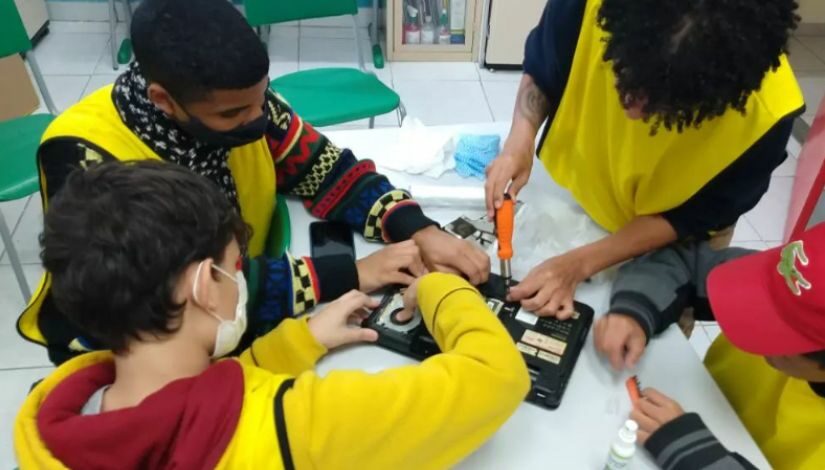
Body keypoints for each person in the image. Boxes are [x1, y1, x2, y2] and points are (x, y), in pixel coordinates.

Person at [19, 0, 489, 365]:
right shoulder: (85, 157)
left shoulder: (247, 107)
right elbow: (173, 300)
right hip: (141, 356)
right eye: (234, 113)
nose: (260, 119)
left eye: (262, 100)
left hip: (241, 311)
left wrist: (417, 227)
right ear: (163, 100)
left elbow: (329, 170)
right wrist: (351, 272)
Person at [14, 161, 529, 470]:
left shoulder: (54, 417)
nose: (240, 280)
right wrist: (439, 288)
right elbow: (497, 379)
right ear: (205, 286)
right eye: (235, 269)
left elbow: (193, 400)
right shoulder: (296, 425)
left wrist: (297, 343)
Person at [484, 0, 804, 318]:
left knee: (647, 339)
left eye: (663, 106)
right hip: (588, 193)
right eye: (624, 79)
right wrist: (519, 142)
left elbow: (687, 219)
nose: (631, 112)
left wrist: (578, 264)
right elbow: (545, 67)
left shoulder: (766, 118)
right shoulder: (590, 5)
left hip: (669, 246)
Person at [591, 224, 825, 469]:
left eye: (776, 334)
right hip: (697, 405)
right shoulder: (794, 281)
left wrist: (696, 454)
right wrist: (635, 310)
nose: (756, 326)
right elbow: (682, 261)